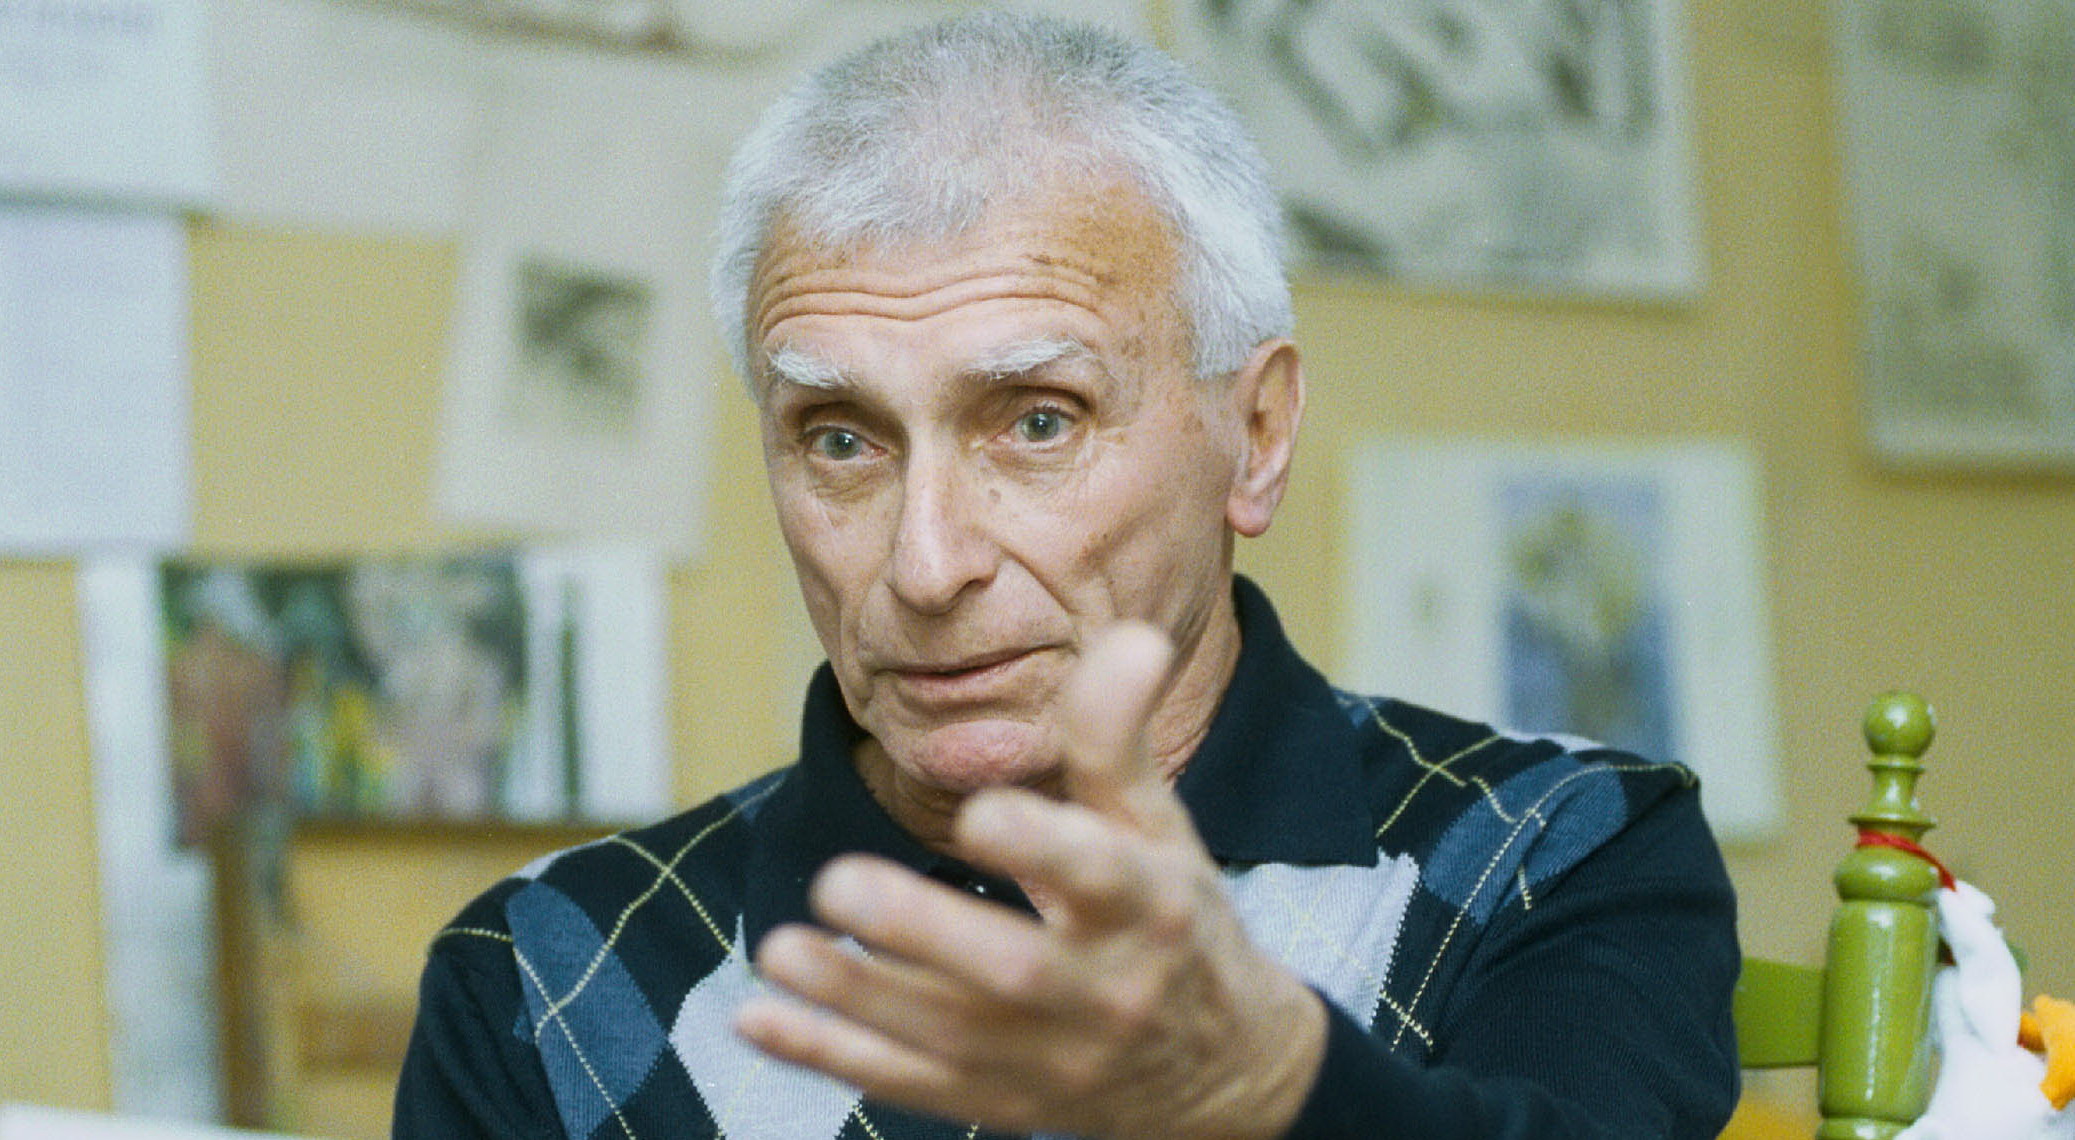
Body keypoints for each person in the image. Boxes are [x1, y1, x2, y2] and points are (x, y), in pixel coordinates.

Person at [392, 12, 1740, 1140]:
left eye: (1038, 421)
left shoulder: (1549, 852)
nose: (928, 564)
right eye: (841, 439)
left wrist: (1274, 1095)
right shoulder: (549, 978)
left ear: (1257, 435)